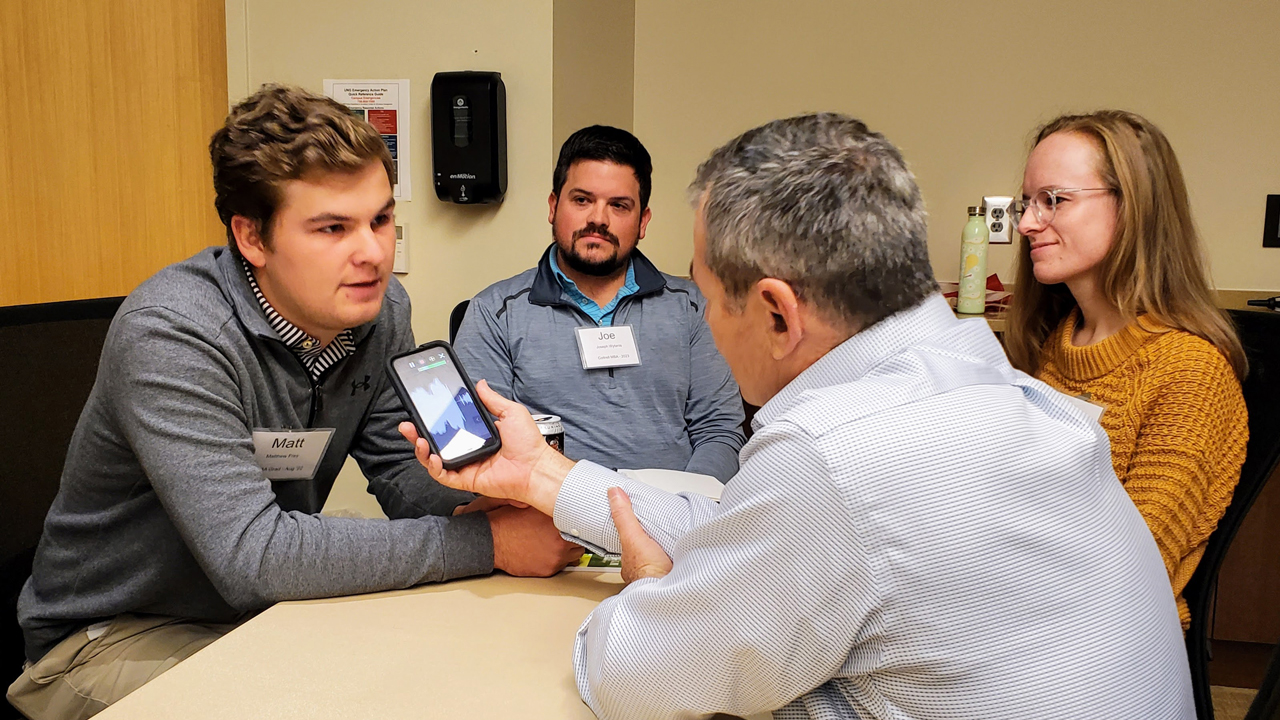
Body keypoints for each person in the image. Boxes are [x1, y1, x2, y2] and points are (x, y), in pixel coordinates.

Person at [403, 114, 1194, 719]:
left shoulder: (835, 458)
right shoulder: (976, 374)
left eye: (709, 298)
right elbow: (745, 529)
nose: (702, 320)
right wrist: (543, 476)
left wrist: (646, 593)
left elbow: (629, 672)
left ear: (777, 314)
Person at [7, 84, 581, 720]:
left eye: (381, 219)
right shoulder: (172, 333)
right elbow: (254, 556)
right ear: (251, 237)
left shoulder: (377, 314)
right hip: (110, 636)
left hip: (258, 616)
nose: (373, 253)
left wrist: (498, 497)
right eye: (332, 228)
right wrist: (491, 544)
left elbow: (397, 471)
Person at [1005, 110, 1248, 629]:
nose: (1026, 223)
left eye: (1054, 200)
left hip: (1105, 647)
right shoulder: (1053, 344)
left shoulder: (1190, 374)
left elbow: (1125, 571)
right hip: (1030, 610)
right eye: (1026, 202)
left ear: (1132, 207)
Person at [452, 125, 745, 481]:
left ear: (643, 222)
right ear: (553, 206)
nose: (598, 219)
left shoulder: (694, 308)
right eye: (582, 200)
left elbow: (720, 430)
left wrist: (688, 509)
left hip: (675, 522)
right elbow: (487, 447)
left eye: (619, 206)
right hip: (551, 523)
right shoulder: (495, 313)